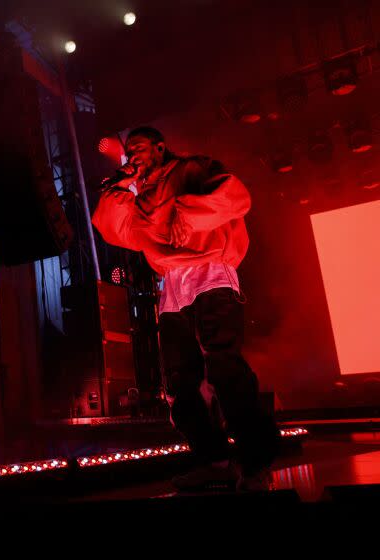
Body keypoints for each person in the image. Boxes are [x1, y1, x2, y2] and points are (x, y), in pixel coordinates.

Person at [92, 126, 279, 492]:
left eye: (140, 149)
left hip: (210, 273)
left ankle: (256, 464)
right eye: (128, 152)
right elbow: (111, 226)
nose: (133, 156)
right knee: (179, 383)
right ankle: (215, 461)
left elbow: (236, 198)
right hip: (173, 288)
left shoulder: (192, 169)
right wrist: (118, 185)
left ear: (161, 148)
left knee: (224, 368)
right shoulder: (138, 196)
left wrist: (187, 213)